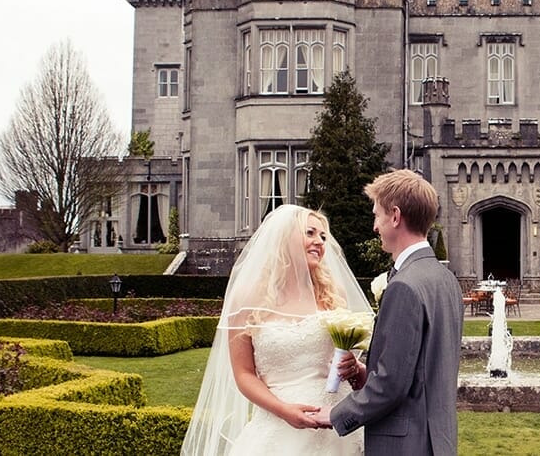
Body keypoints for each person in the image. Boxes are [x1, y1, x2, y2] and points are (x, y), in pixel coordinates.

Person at [181, 204, 373, 456]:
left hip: (335, 424)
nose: (319, 242)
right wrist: (284, 411)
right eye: (310, 233)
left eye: (323, 237)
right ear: (284, 238)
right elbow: (244, 374)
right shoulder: (247, 296)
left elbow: (344, 363)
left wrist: (354, 369)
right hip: (279, 425)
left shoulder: (333, 292)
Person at [310, 169, 464, 456]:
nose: (374, 226)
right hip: (438, 441)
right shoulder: (447, 280)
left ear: (395, 216)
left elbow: (390, 386)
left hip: (405, 445)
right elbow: (421, 370)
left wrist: (334, 415)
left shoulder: (404, 286)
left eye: (376, 215)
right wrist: (363, 373)